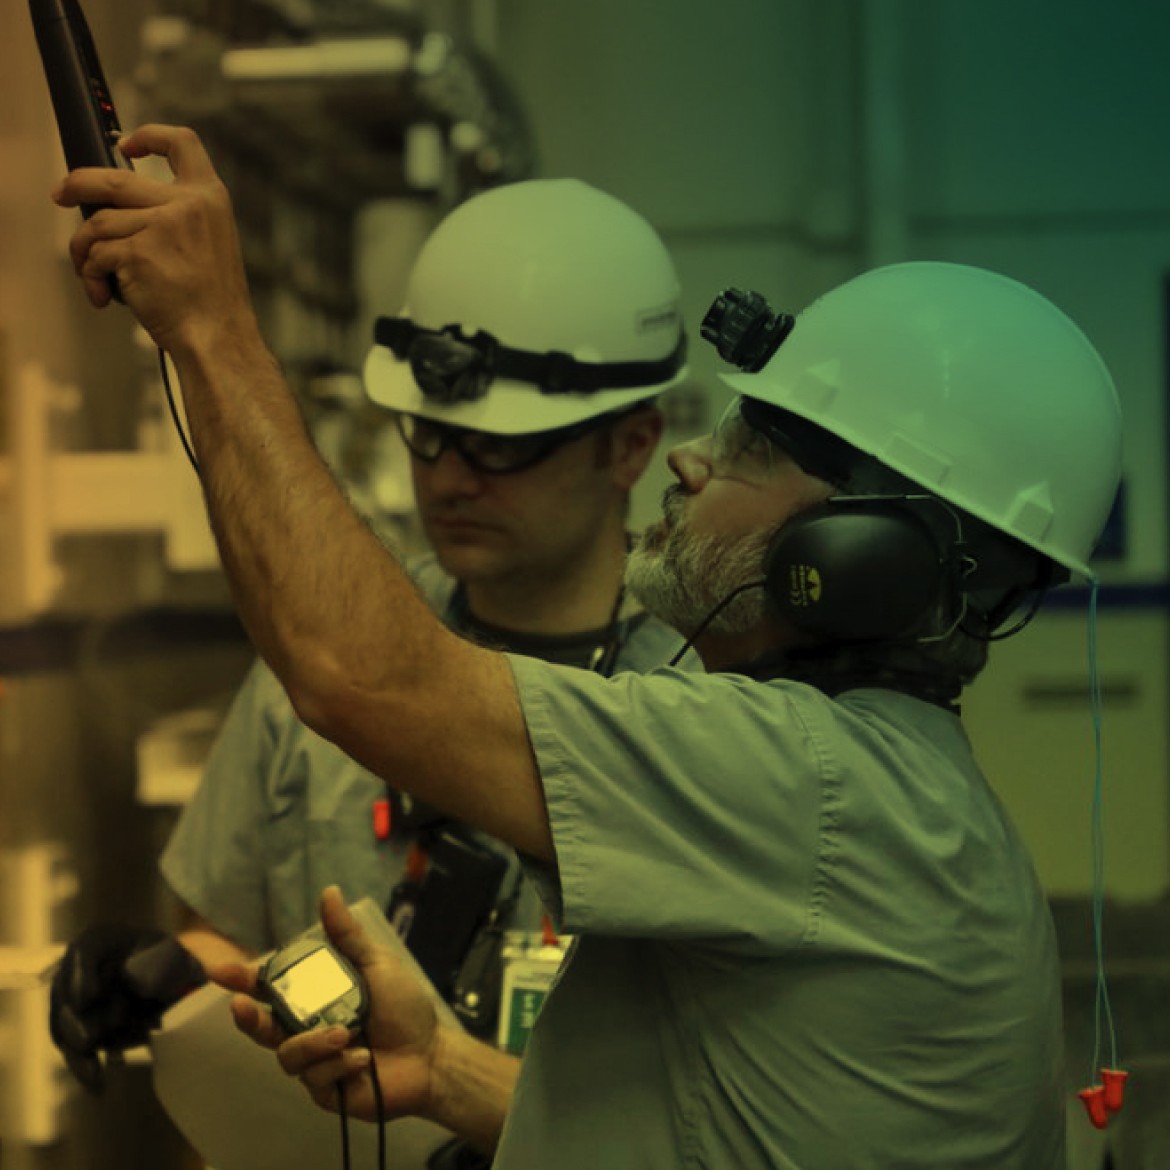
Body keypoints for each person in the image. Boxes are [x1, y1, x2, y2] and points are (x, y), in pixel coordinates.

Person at [53, 124, 1123, 1168]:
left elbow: (357, 670)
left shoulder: (812, 783)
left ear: (855, 556)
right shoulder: (889, 789)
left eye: (750, 445)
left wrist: (212, 326)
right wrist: (446, 1068)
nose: (694, 462)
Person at [48, 177, 695, 1101]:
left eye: (501, 446)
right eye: (429, 433)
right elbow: (225, 939)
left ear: (631, 446)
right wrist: (167, 981)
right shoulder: (321, 662)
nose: (451, 478)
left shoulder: (709, 702)